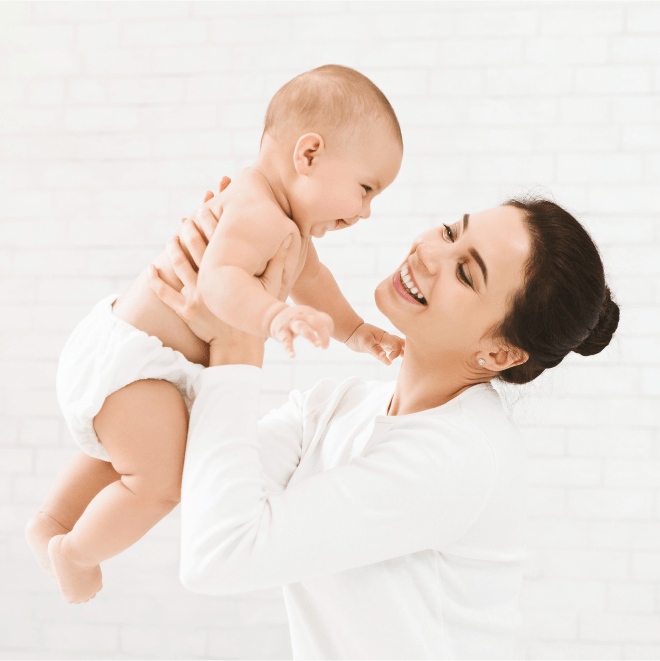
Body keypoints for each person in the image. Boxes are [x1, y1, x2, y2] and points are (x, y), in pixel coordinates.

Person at [148, 196, 620, 660]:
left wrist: (238, 332)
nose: (429, 252)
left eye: (464, 273)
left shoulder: (459, 456)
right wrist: (214, 288)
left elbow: (218, 557)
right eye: (452, 231)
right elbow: (198, 482)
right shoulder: (337, 407)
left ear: (499, 354)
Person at [24, 65, 405, 604]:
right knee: (160, 483)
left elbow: (312, 280)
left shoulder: (277, 216)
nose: (365, 212)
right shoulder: (258, 212)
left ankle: (50, 521)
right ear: (309, 154)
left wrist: (356, 331)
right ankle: (76, 551)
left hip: (131, 358)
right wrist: (273, 317)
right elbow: (219, 283)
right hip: (138, 366)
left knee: (127, 453)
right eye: (365, 189)